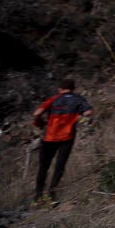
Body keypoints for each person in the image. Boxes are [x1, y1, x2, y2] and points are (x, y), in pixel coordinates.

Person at [32, 77, 92, 205]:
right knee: (59, 166)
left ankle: (38, 196)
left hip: (50, 137)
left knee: (44, 167)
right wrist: (77, 118)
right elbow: (88, 113)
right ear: (73, 89)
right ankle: (51, 194)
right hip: (67, 138)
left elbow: (37, 113)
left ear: (60, 89)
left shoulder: (54, 99)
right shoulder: (79, 99)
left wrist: (40, 123)